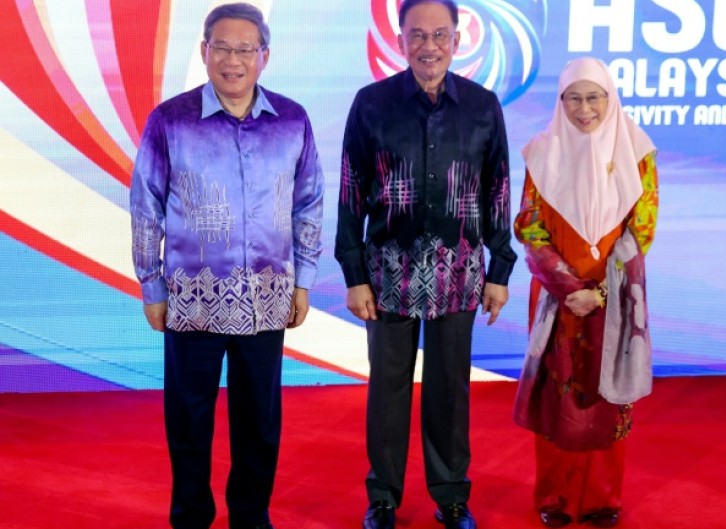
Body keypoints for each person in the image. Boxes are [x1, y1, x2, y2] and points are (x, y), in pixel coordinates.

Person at [129, 4, 324, 528]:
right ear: (204, 51)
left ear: (264, 56)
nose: (233, 61)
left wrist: (303, 280)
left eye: (245, 49)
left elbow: (309, 203)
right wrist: (152, 283)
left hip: (268, 297)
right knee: (189, 420)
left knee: (259, 422)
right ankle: (191, 516)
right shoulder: (171, 121)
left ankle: (251, 518)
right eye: (222, 48)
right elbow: (146, 205)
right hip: (191, 298)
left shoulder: (292, 120)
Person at [334, 1, 516, 528]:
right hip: (387, 271)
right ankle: (383, 498)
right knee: (386, 390)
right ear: (400, 38)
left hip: (458, 272)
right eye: (418, 35)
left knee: (449, 388)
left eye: (440, 35)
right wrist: (354, 274)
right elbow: (350, 190)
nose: (429, 46)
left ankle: (452, 496)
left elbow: (498, 189)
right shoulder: (372, 104)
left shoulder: (482, 106)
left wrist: (499, 270)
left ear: (458, 40)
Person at [512, 58, 659, 528]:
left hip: (614, 296)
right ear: (560, 101)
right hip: (557, 298)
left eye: (594, 97)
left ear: (610, 98)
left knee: (607, 395)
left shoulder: (637, 152)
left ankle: (602, 499)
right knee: (556, 399)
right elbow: (530, 226)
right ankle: (554, 498)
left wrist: (600, 291)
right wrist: (570, 286)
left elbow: (642, 228)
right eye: (573, 97)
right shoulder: (541, 152)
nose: (584, 108)